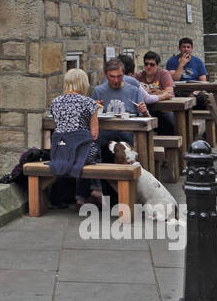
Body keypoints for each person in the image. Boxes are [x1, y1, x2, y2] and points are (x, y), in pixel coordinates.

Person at [47, 68, 102, 208]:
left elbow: (61, 127)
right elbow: (94, 134)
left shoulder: (55, 102)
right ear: (84, 84)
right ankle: (95, 190)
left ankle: (75, 197)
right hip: (80, 153)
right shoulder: (90, 103)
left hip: (60, 151)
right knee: (97, 150)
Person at [92, 57, 152, 161]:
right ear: (105, 75)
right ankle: (100, 174)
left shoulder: (134, 91)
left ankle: (135, 171)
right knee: (94, 143)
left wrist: (145, 112)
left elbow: (147, 119)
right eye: (112, 77)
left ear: (124, 74)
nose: (116, 80)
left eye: (119, 76)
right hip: (106, 131)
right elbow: (91, 119)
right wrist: (94, 109)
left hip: (128, 131)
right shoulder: (98, 91)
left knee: (133, 141)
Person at [138, 51, 177, 134]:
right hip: (145, 109)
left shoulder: (163, 74)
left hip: (163, 110)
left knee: (169, 121)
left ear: (157, 65)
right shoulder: (139, 76)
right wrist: (160, 92)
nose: (148, 67)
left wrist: (148, 93)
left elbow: (169, 92)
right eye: (146, 64)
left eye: (152, 64)